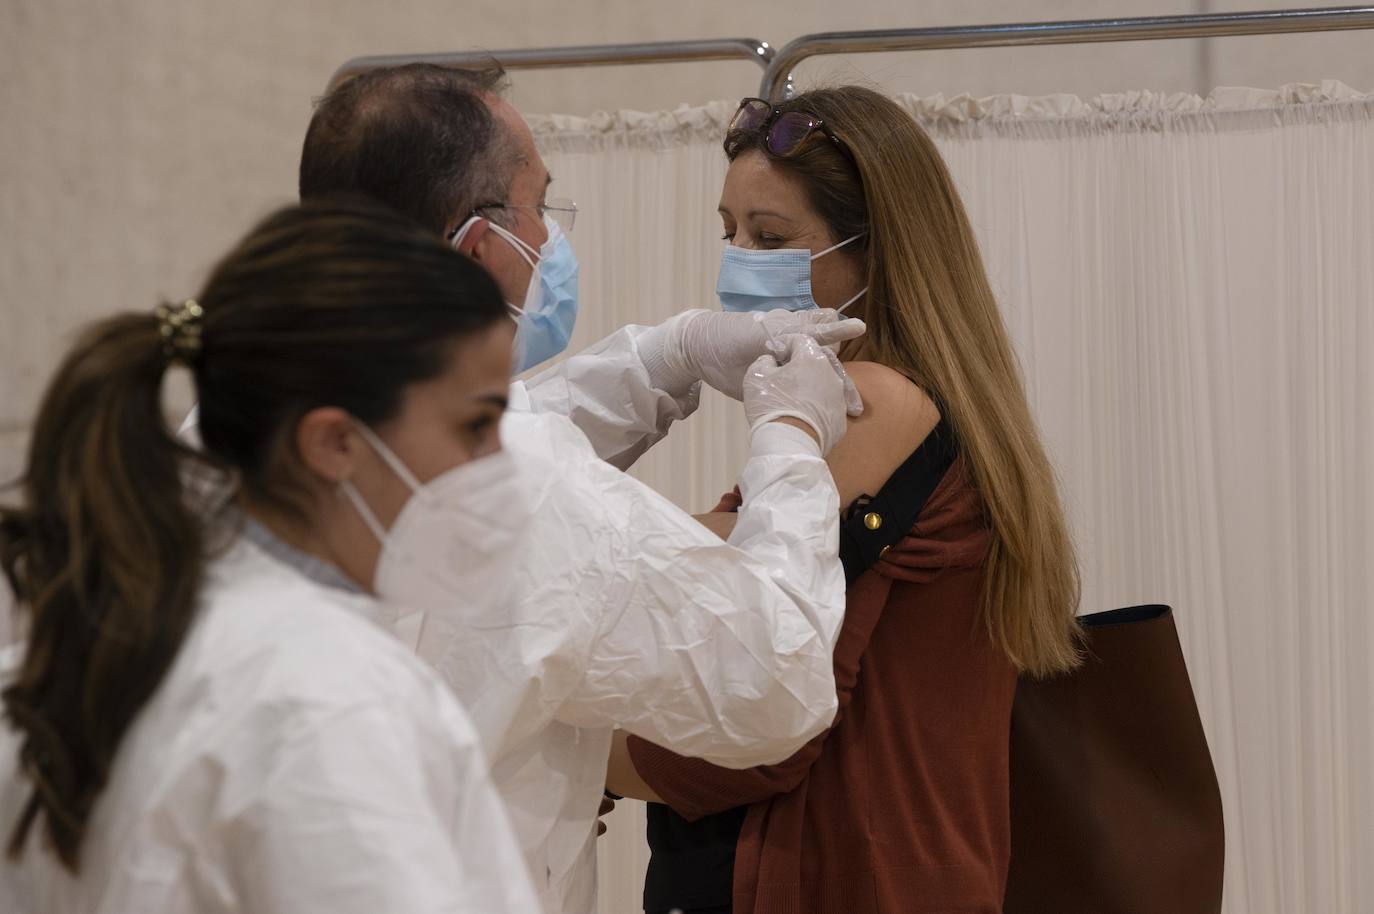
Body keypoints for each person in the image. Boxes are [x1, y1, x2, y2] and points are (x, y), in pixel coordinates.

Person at [285, 63, 866, 913]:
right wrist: (789, 440)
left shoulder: (242, 412)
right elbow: (777, 679)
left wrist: (668, 355)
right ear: (482, 245)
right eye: (541, 208)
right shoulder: (524, 484)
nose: (552, 240)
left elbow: (484, 437)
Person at [606, 87, 1084, 914]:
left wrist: (554, 736)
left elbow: (756, 703)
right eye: (730, 232)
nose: (738, 262)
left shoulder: (871, 402)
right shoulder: (940, 409)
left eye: (771, 237)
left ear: (874, 251)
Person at [0, 197, 542, 913]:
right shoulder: (332, 703)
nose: (495, 464)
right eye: (476, 425)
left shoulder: (98, 637)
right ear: (335, 443)